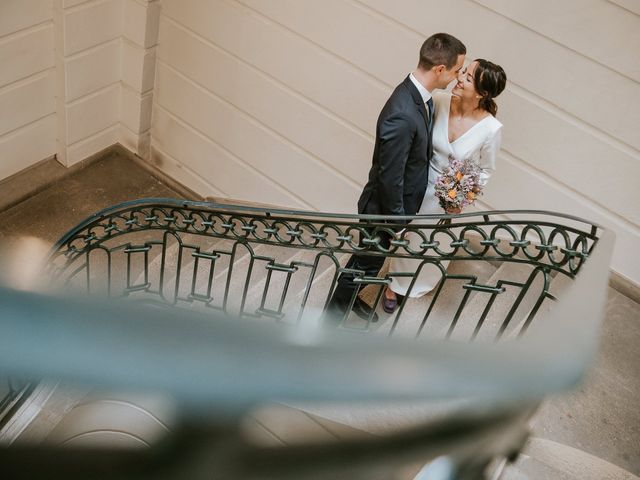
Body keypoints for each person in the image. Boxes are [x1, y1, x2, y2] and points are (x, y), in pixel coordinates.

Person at [325, 33, 466, 324]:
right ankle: (333, 316)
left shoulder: (420, 98)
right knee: (366, 261)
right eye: (455, 71)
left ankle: (347, 300)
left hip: (389, 209)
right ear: (440, 69)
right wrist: (399, 222)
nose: (456, 77)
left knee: (369, 261)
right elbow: (391, 177)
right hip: (384, 211)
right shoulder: (403, 112)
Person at [382, 59, 507, 313]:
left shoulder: (491, 128)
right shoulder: (439, 100)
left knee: (433, 244)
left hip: (447, 196)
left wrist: (460, 197)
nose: (459, 78)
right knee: (408, 238)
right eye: (463, 71)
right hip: (418, 184)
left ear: (482, 92)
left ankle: (423, 282)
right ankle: (394, 284)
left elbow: (485, 170)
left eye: (468, 78)